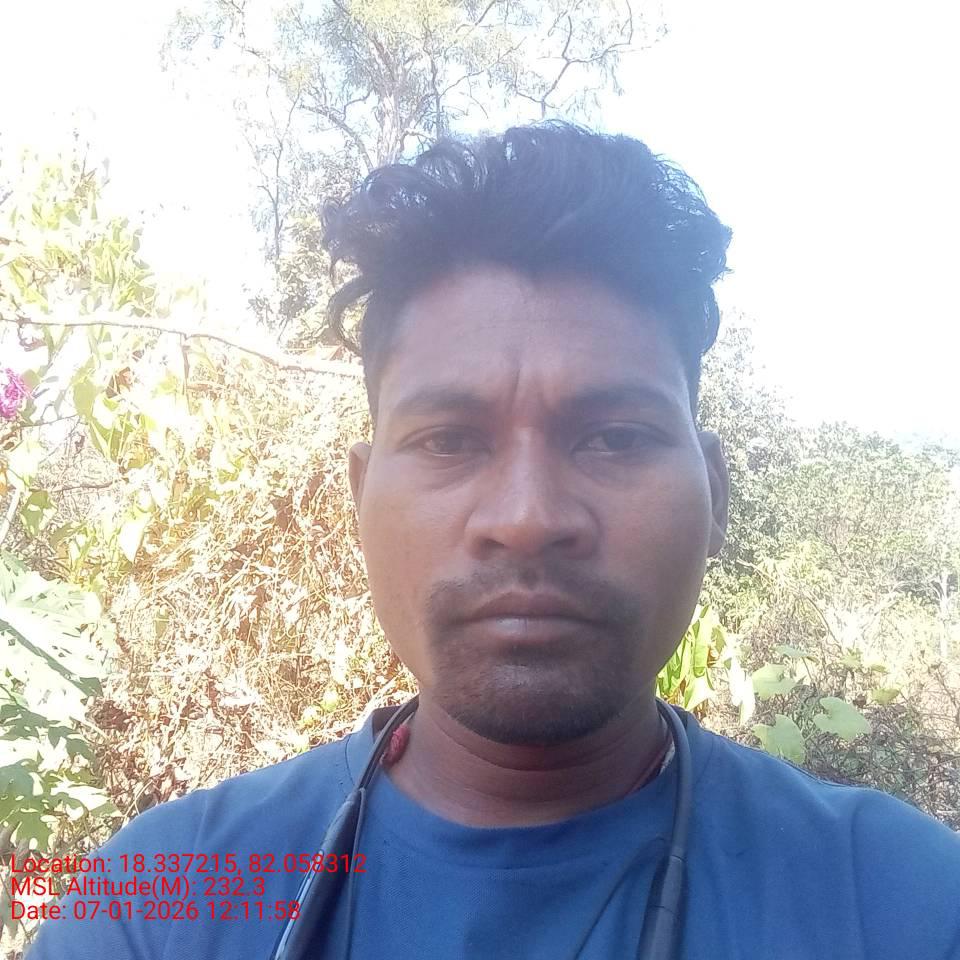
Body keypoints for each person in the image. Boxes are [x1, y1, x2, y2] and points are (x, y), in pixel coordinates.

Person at [27, 122, 960, 960]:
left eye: (614, 438)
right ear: (360, 499)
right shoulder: (155, 909)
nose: (526, 517)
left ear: (714, 494)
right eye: (449, 441)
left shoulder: (903, 902)